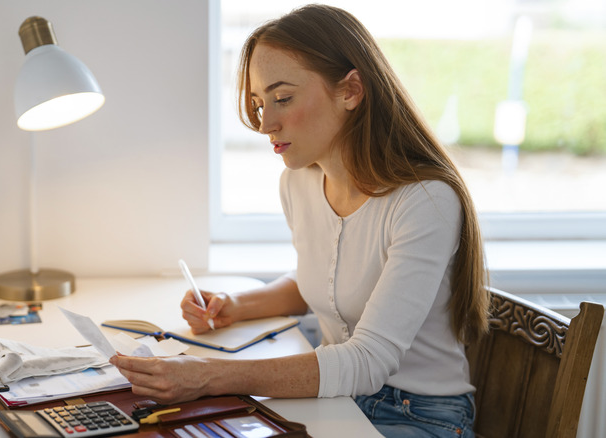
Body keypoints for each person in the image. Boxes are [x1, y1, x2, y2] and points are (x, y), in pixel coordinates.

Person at [110, 4, 490, 437]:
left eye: (282, 98)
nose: (265, 122)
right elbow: (322, 282)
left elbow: (366, 362)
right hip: (337, 395)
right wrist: (234, 306)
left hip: (417, 414)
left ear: (351, 90)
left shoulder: (425, 202)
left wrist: (209, 375)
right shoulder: (300, 184)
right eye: (258, 102)